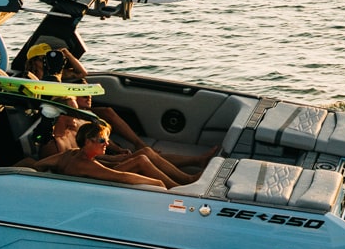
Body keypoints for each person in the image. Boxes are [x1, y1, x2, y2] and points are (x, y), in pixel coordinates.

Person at [20, 42, 212, 178]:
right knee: (142, 160)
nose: (76, 115)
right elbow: (73, 162)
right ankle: (185, 181)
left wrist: (117, 153)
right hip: (92, 170)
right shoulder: (56, 140)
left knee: (145, 153)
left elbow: (83, 156)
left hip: (94, 161)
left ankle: (191, 170)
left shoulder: (69, 130)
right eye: (73, 109)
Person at [50, 119, 177, 189]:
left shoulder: (71, 153)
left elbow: (39, 164)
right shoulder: (86, 164)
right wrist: (158, 183)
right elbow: (122, 177)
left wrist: (115, 160)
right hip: (99, 189)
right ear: (88, 141)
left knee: (142, 157)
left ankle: (182, 182)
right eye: (102, 140)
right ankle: (175, 189)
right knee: (141, 160)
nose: (107, 144)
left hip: (96, 181)